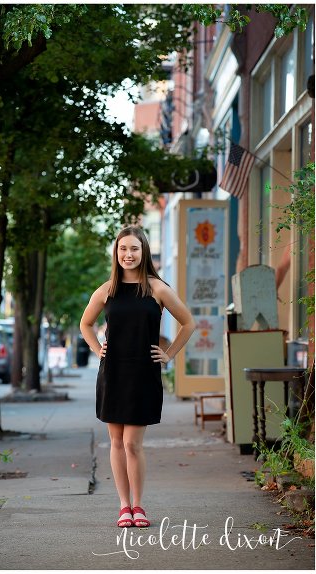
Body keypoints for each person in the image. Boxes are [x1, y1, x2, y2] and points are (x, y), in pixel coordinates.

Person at [79, 226, 195, 528]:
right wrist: (97, 349)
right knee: (115, 442)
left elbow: (188, 323)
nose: (127, 255)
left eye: (134, 249)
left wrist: (169, 355)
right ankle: (123, 506)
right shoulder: (106, 290)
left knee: (132, 444)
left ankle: (139, 505)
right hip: (113, 373)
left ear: (143, 253)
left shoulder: (157, 288)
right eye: (122, 249)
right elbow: (85, 324)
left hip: (143, 373)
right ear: (116, 254)